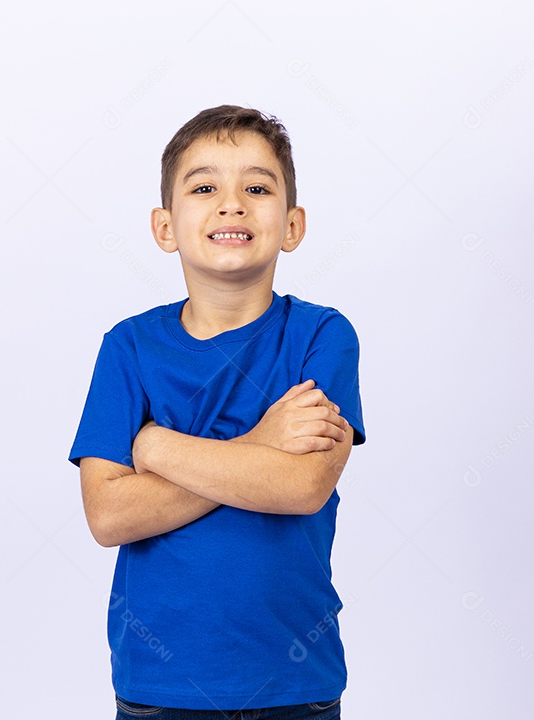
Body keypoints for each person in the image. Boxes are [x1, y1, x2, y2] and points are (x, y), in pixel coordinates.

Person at [69, 105, 366, 719]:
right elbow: (108, 514)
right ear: (165, 226)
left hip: (295, 686)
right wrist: (262, 440)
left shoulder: (323, 336)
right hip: (160, 689)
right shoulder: (129, 347)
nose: (232, 204)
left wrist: (154, 448)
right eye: (204, 187)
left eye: (257, 187)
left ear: (291, 225)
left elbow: (303, 485)